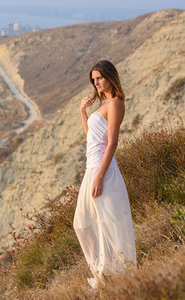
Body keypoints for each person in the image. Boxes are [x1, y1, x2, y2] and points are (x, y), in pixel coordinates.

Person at [73, 60, 136, 290]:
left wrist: (100, 176)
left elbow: (112, 143)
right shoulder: (103, 104)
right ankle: (103, 274)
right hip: (92, 169)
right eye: (94, 79)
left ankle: (116, 278)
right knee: (82, 224)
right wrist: (83, 112)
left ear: (110, 76)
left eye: (99, 78)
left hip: (104, 172)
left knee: (110, 225)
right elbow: (92, 138)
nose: (96, 82)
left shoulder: (116, 103)